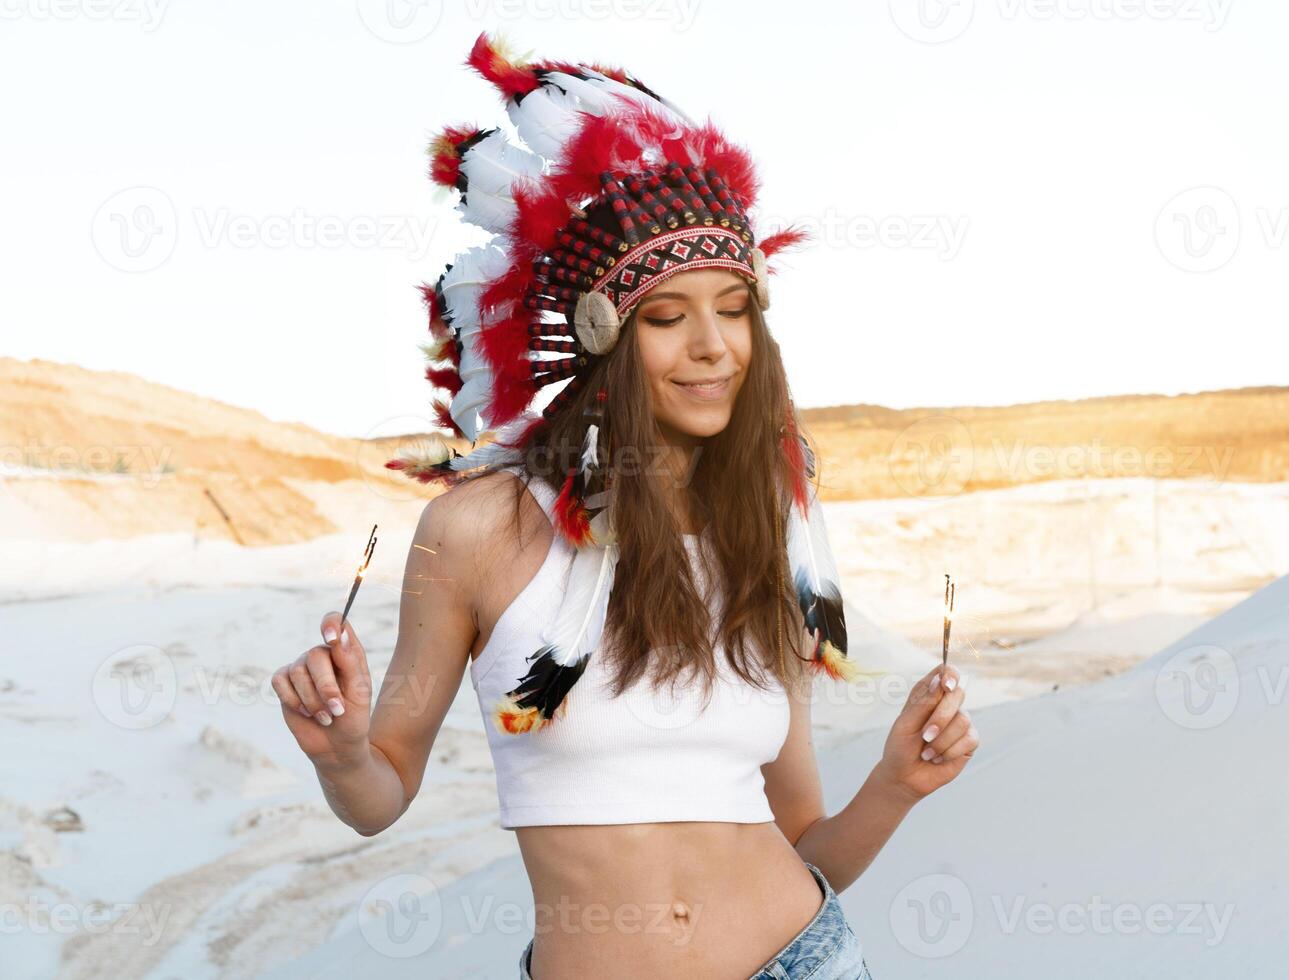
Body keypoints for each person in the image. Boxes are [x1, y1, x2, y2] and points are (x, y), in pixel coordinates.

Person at [271, 31, 978, 979]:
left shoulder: (765, 532)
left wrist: (896, 787)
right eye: (667, 316)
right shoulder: (478, 531)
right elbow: (379, 793)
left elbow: (807, 843)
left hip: (806, 959)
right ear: (604, 333)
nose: (713, 346)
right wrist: (342, 751)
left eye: (734, 309)